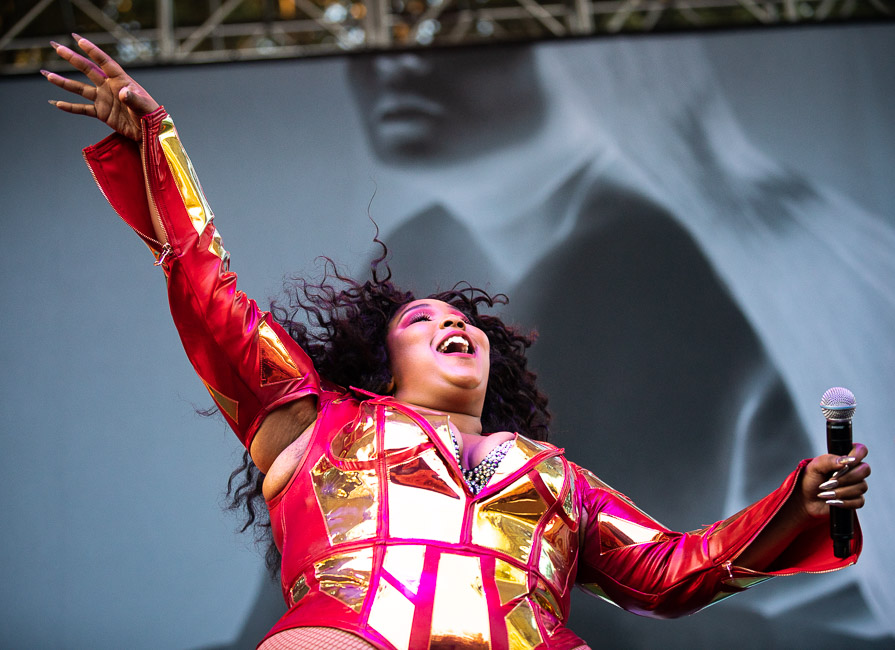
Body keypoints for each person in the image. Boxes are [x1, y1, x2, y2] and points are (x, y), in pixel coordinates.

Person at [45, 36, 871, 650]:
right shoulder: (315, 426)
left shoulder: (558, 480)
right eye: (422, 320)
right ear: (381, 364)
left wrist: (795, 502)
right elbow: (205, 291)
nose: (452, 324)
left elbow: (670, 573)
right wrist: (156, 146)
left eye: (465, 322)